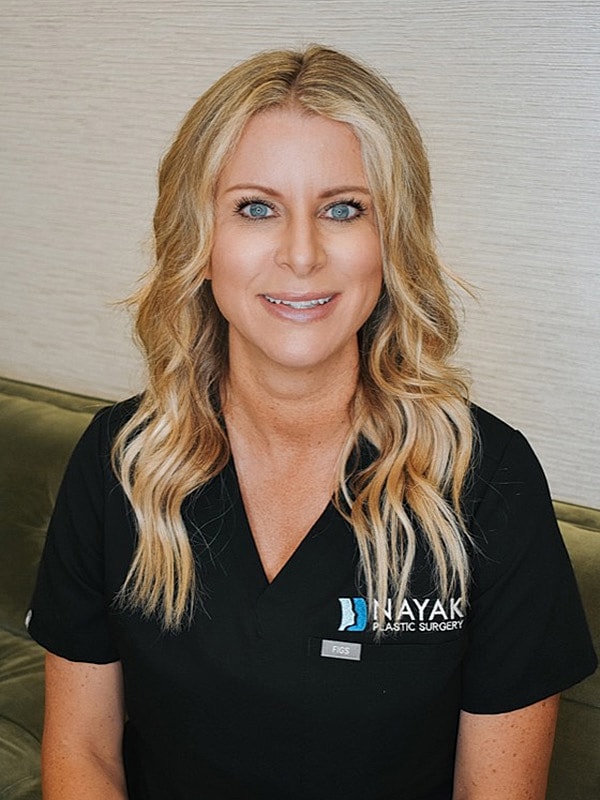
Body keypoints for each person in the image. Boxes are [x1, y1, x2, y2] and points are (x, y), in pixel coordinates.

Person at [28, 45, 596, 800]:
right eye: (256, 208)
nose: (301, 255)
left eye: (343, 208)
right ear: (199, 242)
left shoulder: (487, 481)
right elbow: (83, 755)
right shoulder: (118, 460)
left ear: (392, 241)